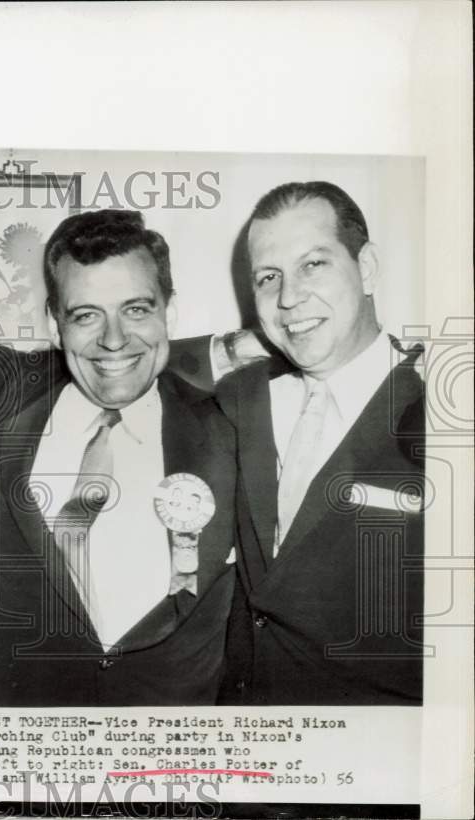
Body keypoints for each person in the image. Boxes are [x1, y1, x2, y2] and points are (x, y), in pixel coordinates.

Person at [0, 209, 240, 705]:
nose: (114, 339)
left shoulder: (231, 433)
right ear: (55, 325)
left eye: (137, 309)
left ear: (169, 313)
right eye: (86, 315)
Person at [217, 181, 425, 705]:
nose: (288, 299)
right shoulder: (242, 399)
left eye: (314, 265)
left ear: (368, 267)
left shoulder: (442, 418)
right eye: (269, 278)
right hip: (239, 746)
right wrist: (230, 344)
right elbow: (126, 362)